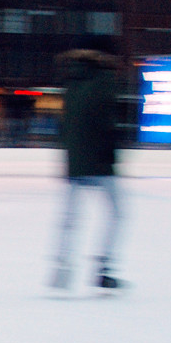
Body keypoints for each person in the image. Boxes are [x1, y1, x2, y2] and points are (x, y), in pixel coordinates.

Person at [50, 36, 127, 291]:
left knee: (71, 217)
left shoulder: (72, 81)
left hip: (75, 160)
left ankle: (61, 266)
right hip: (100, 161)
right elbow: (107, 121)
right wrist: (111, 152)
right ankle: (104, 269)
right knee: (117, 213)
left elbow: (66, 124)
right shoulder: (105, 80)